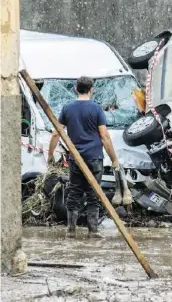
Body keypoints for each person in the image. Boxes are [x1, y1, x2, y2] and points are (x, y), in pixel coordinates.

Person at [48, 76, 120, 238]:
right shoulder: (96, 109)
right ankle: (93, 231)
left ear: (75, 89)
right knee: (93, 193)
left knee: (74, 192)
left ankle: (71, 230)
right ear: (91, 90)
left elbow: (55, 134)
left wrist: (50, 154)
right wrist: (114, 159)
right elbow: (104, 136)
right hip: (95, 158)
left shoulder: (67, 108)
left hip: (76, 159)